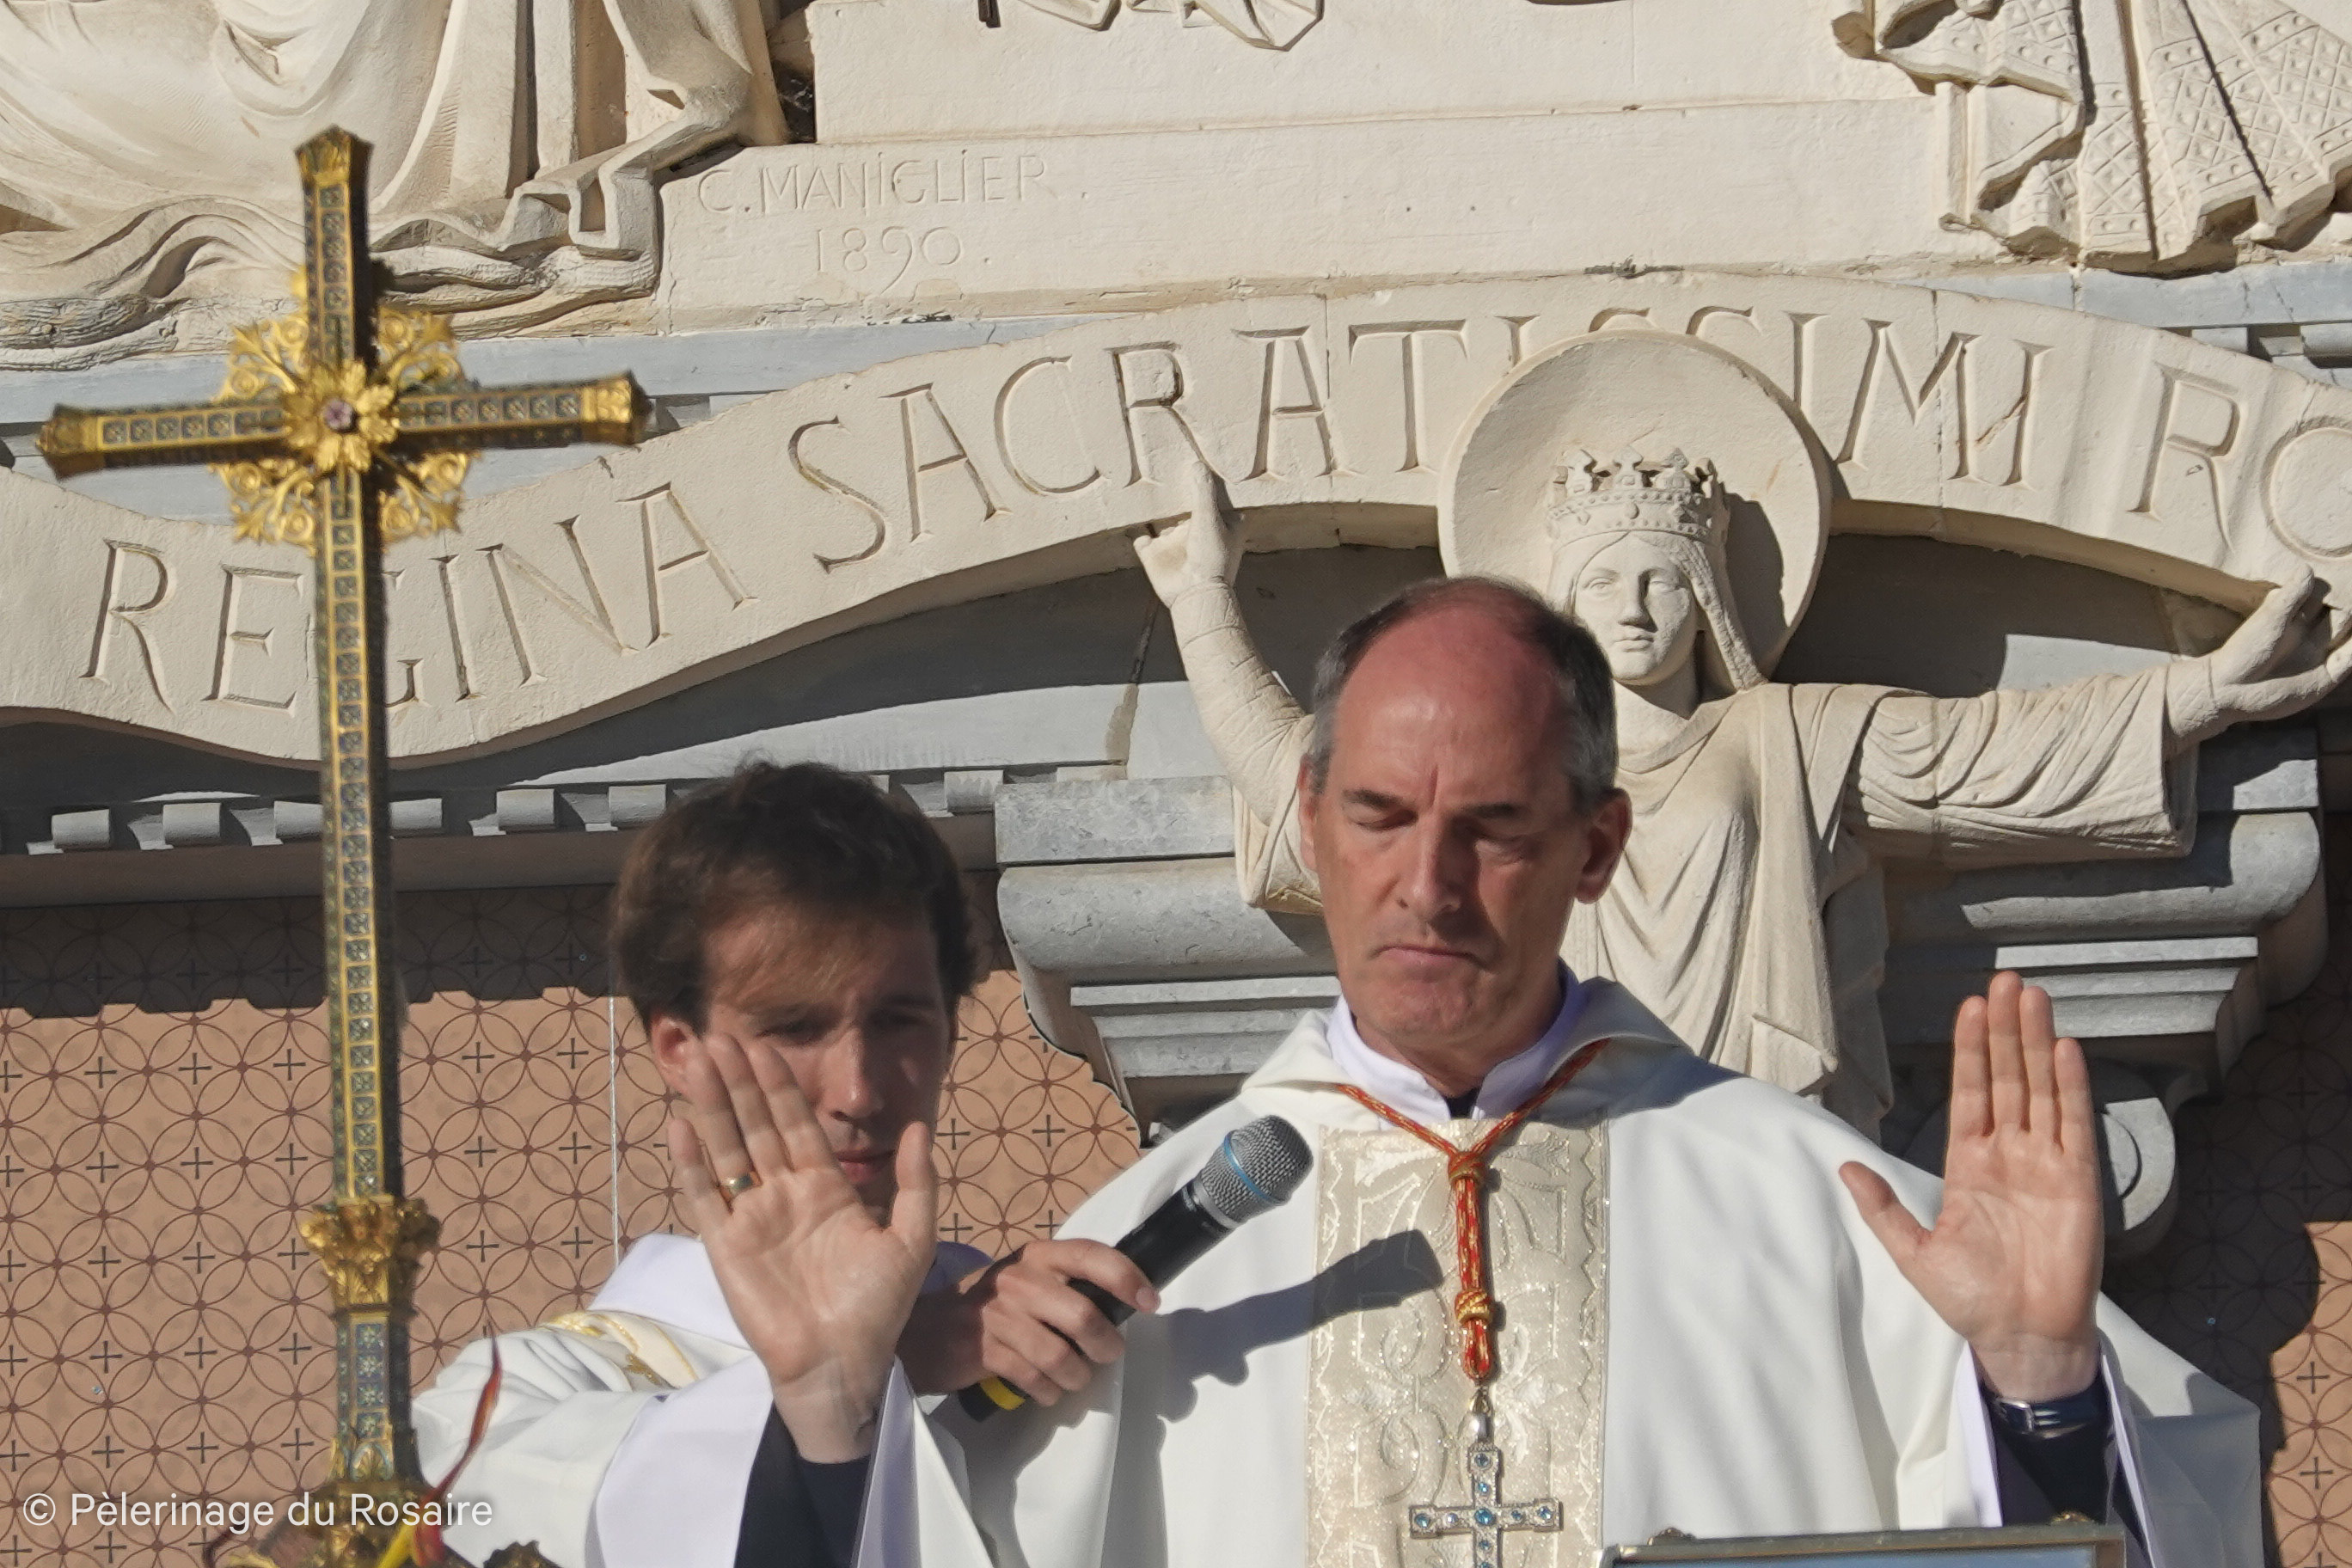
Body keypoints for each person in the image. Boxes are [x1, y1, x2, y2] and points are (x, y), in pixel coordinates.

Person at [714, 579, 2257, 1568]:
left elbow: (2119, 1528)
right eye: (1380, 816)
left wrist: (2039, 1390)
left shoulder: (1817, 1205)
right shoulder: (1131, 1255)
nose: (1429, 888)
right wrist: (838, 1414)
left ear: (1597, 846)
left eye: (1496, 828)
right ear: (1309, 821)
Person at [1137, 448, 2351, 1133]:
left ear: (1707, 599)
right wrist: (1202, 599)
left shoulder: (1787, 736)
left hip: (1753, 1129)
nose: (1634, 607)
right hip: (1545, 1123)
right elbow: (1300, 773)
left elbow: (1982, 755)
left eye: (1662, 580)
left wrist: (2201, 694)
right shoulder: (1491, 784)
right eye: (1603, 581)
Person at [411, 763, 1157, 1568]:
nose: (858, 1091)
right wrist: (866, 1375)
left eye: (899, 1021)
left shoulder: (1058, 1338)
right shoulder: (510, 1400)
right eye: (795, 1027)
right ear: (680, 1049)